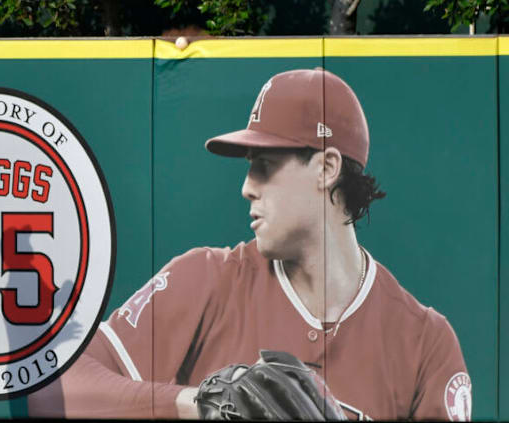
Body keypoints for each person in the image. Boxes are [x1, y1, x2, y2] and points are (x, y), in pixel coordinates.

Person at [27, 69, 471, 421]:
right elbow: (53, 391)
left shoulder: (425, 344)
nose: (246, 187)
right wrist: (198, 404)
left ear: (326, 168)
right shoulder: (204, 279)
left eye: (263, 166)